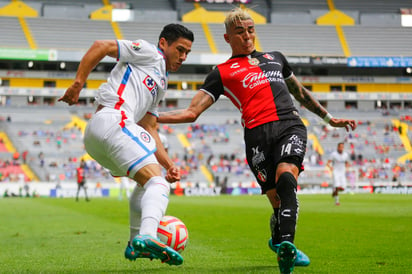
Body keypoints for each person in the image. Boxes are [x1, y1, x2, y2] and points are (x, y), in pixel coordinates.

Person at [157, 8, 357, 273]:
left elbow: (300, 92)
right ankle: (278, 238)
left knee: (287, 179)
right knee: (278, 202)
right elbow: (192, 112)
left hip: (290, 125)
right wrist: (153, 116)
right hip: (256, 137)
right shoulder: (222, 72)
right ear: (227, 38)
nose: (248, 37)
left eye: (251, 30)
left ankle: (287, 247)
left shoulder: (276, 58)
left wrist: (329, 119)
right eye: (240, 32)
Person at [58, 23, 194, 266]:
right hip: (114, 119)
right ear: (164, 43)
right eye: (180, 49)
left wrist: (169, 163)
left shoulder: (160, 82)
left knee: (147, 183)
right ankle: (148, 236)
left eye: (187, 53)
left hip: (101, 134)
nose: (183, 57)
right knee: (157, 183)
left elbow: (150, 127)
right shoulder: (149, 52)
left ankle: (134, 245)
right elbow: (101, 46)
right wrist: (79, 82)